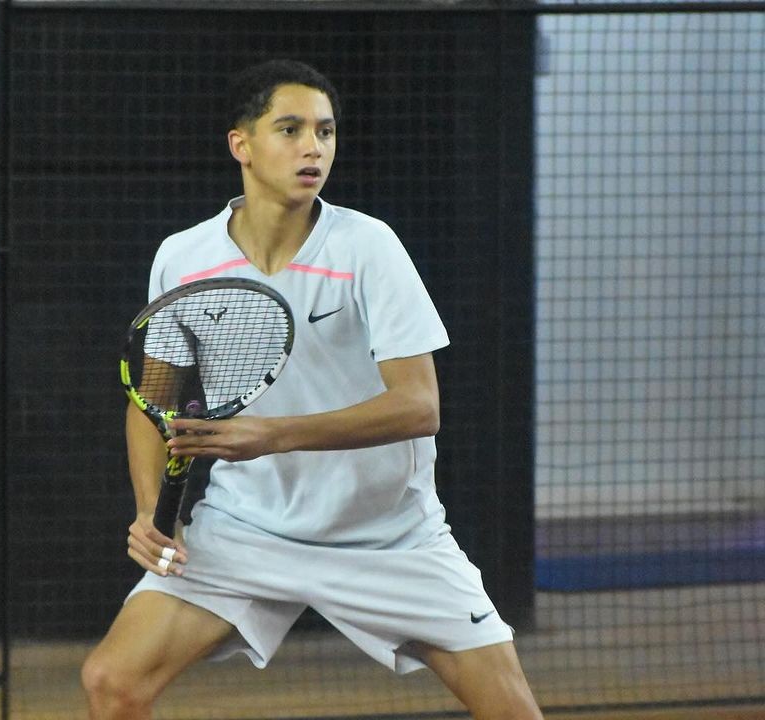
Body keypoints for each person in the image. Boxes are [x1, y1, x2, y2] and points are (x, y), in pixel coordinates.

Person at [81, 60, 544, 720]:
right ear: (241, 144)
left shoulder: (367, 247)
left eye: (325, 132)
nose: (312, 148)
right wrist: (155, 511)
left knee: (513, 712)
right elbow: (151, 403)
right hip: (247, 530)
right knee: (111, 680)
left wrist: (269, 434)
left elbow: (420, 406)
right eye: (290, 129)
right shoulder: (184, 257)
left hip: (388, 537)